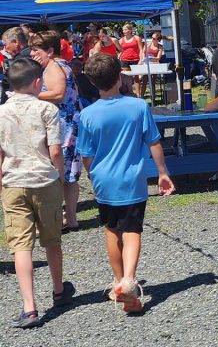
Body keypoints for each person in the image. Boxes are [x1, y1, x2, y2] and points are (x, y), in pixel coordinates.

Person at [77, 52, 175, 313]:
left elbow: (86, 154)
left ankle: (119, 281)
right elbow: (153, 141)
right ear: (120, 77)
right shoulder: (138, 107)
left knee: (111, 230)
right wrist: (162, 172)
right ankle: (130, 280)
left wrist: (93, 174)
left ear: (92, 82)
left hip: (103, 180)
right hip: (132, 179)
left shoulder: (87, 114)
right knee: (132, 230)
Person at [0, 58, 73, 328]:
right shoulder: (47, 109)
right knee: (52, 240)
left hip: (14, 181)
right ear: (37, 82)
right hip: (44, 180)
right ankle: (58, 290)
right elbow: (55, 149)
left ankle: (29, 307)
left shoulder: (1, 112)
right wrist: (59, 174)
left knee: (21, 246)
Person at [28, 30, 84, 232]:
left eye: (36, 50)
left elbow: (58, 94)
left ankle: (55, 219)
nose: (33, 54)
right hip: (69, 123)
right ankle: (70, 218)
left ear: (49, 51)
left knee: (57, 172)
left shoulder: (53, 67)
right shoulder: (62, 64)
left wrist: (31, 93)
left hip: (63, 125)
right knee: (69, 175)